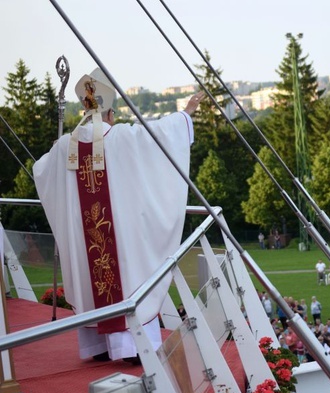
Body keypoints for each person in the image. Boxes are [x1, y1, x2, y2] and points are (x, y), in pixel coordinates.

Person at [34, 67, 205, 362]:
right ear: (110, 113)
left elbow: (42, 170)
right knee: (126, 276)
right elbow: (159, 136)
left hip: (84, 235)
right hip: (117, 236)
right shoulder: (122, 137)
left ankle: (98, 347)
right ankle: (131, 349)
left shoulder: (65, 147)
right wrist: (186, 113)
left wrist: (56, 151)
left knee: (92, 276)